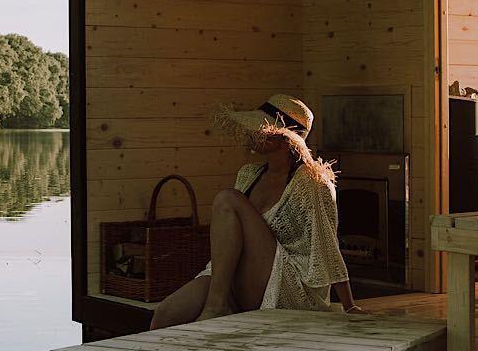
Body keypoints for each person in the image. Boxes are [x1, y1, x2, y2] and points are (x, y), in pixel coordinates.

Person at [148, 94, 365, 329]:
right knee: (164, 315)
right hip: (240, 277)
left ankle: (216, 307)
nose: (251, 133)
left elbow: (326, 245)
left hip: (291, 286)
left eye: (260, 128)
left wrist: (349, 305)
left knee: (227, 199)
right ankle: (215, 307)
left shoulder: (311, 183)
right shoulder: (248, 175)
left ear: (284, 139)